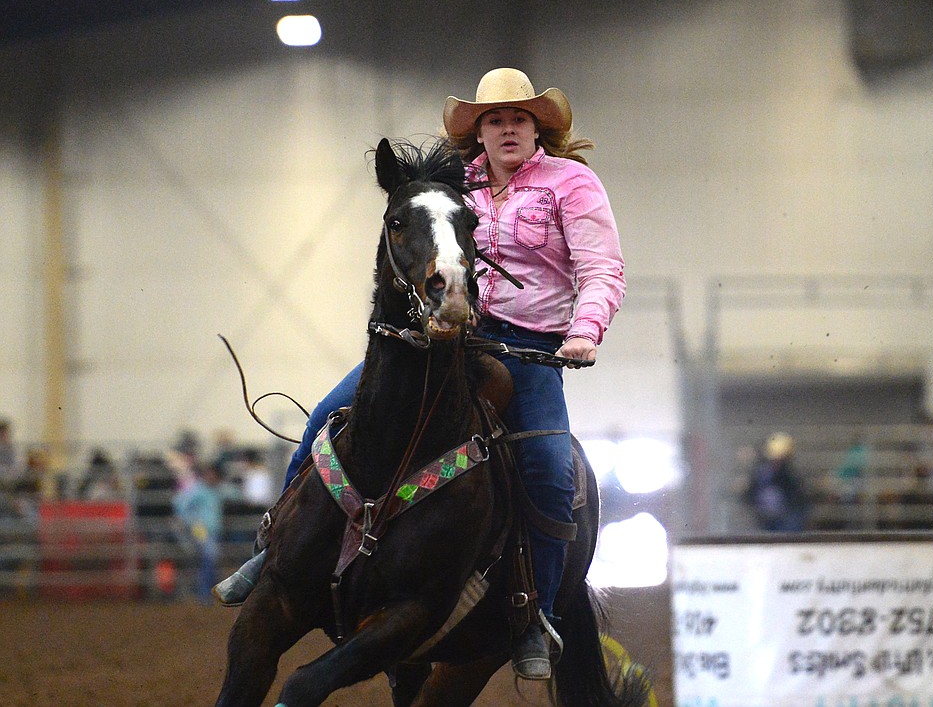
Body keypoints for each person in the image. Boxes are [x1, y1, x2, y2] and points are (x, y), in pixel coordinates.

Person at [215, 68, 626, 680]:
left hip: (532, 350)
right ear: (479, 131)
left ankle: (530, 610)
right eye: (495, 119)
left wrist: (584, 332)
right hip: (443, 339)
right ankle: (272, 546)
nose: (508, 128)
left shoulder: (573, 184)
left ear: (537, 126)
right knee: (329, 415)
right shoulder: (455, 188)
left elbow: (602, 268)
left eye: (519, 118)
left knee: (547, 469)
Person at [173, 462, 224, 604]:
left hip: (210, 530)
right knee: (210, 556)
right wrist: (189, 521)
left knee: (209, 558)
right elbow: (180, 504)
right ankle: (205, 594)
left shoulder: (212, 490)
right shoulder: (199, 490)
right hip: (200, 529)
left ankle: (207, 593)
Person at [746, 432, 809, 532]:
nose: (777, 462)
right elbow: (751, 494)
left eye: (781, 459)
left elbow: (797, 499)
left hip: (786, 519)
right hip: (765, 519)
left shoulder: (790, 476)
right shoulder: (761, 473)